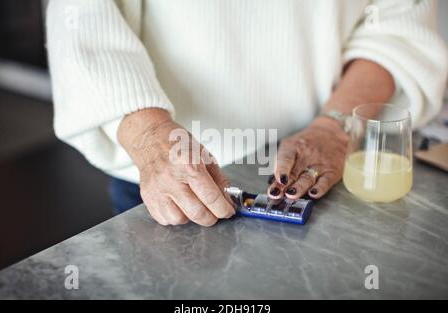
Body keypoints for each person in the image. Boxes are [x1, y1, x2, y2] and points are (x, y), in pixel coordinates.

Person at [46, 0, 447, 226]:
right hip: (167, 178)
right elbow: (81, 18)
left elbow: (399, 20)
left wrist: (335, 128)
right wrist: (149, 136)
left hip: (326, 169)